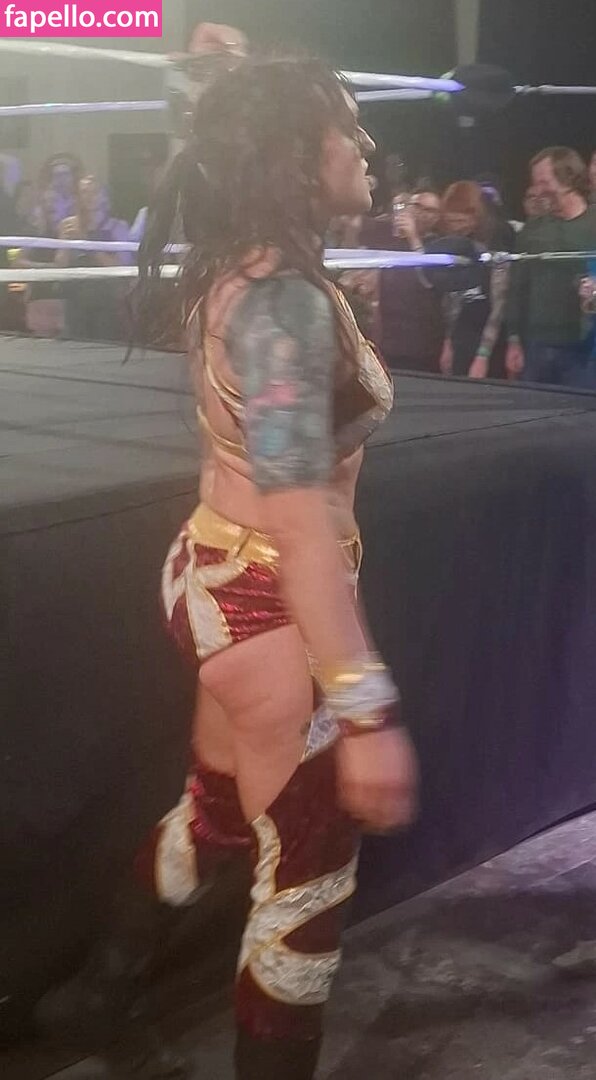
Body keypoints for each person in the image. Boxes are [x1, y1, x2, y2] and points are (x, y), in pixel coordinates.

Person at [38, 51, 419, 1080]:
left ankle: (94, 994)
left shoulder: (252, 271)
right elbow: (302, 525)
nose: (368, 144)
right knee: (306, 884)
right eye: (348, 125)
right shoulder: (282, 304)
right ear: (296, 153)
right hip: (265, 598)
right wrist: (368, 713)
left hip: (215, 571)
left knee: (214, 810)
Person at [506, 147, 596, 387]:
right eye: (535, 183)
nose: (537, 190)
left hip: (586, 348)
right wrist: (513, 339)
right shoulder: (533, 229)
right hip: (537, 346)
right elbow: (517, 287)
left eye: (543, 182)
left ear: (569, 178)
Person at [353, 187, 445, 372]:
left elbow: (429, 281)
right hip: (388, 336)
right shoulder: (391, 238)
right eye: (417, 206)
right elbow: (356, 229)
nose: (422, 213)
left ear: (437, 217)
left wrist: (414, 238)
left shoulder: (439, 244)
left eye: (429, 210)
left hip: (422, 340)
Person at [429, 181, 510, 379]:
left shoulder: (496, 245)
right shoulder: (454, 246)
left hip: (489, 342)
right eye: (451, 221)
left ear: (475, 217)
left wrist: (483, 355)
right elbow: (451, 299)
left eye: (460, 221)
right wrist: (448, 342)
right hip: (460, 339)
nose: (455, 227)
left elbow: (499, 306)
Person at [56, 175, 132, 341]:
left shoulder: (118, 227)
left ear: (103, 195)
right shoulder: (67, 225)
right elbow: (60, 265)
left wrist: (85, 242)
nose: (89, 197)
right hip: (75, 300)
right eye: (84, 192)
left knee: (104, 346)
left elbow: (124, 267)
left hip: (106, 301)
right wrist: (66, 243)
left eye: (94, 192)